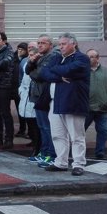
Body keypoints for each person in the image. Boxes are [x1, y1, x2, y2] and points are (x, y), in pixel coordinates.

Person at [40, 32, 90, 176]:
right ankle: (61, 162)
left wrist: (55, 70)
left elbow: (68, 70)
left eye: (63, 44)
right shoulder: (57, 57)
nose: (60, 47)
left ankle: (78, 164)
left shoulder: (82, 58)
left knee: (76, 136)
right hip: (56, 102)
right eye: (59, 44)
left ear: (73, 44)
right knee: (57, 134)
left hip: (73, 101)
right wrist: (60, 77)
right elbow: (44, 72)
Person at [26, 34, 58, 167]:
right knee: (41, 127)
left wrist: (33, 70)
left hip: (44, 96)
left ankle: (50, 154)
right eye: (38, 43)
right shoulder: (39, 57)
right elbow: (28, 70)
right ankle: (43, 152)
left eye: (43, 43)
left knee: (47, 127)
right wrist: (32, 62)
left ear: (50, 45)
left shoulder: (51, 57)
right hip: (37, 95)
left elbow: (39, 75)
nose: (39, 45)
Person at [84, 49, 107, 160]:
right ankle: (79, 152)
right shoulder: (82, 71)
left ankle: (100, 152)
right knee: (80, 131)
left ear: (98, 58)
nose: (90, 59)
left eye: (92, 56)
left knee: (104, 131)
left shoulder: (106, 71)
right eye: (88, 57)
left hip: (103, 108)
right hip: (86, 108)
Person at [18, 48, 40, 159]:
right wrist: (21, 92)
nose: (30, 57)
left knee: (36, 127)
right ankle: (34, 145)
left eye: (33, 55)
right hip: (25, 98)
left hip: (34, 100)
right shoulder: (27, 65)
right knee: (30, 125)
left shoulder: (38, 66)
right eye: (29, 55)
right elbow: (22, 81)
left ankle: (37, 148)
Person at [13, 42, 29, 138]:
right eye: (19, 49)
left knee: (26, 111)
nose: (20, 51)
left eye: (22, 49)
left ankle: (28, 131)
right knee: (20, 110)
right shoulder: (14, 58)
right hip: (15, 88)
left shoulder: (27, 59)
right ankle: (22, 129)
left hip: (24, 88)